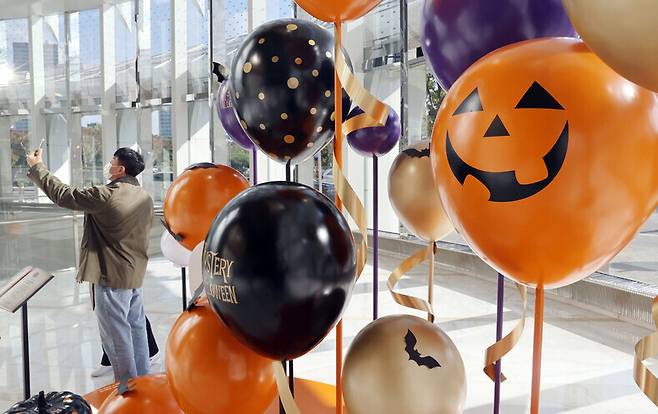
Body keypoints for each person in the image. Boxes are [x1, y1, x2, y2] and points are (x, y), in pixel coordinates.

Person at [26, 147, 154, 383]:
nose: (108, 164)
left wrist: (37, 167)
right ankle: (144, 384)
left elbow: (63, 195)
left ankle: (127, 390)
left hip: (111, 277)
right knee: (136, 330)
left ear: (120, 169)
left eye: (112, 161)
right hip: (134, 275)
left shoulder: (106, 195)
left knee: (117, 338)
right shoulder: (144, 197)